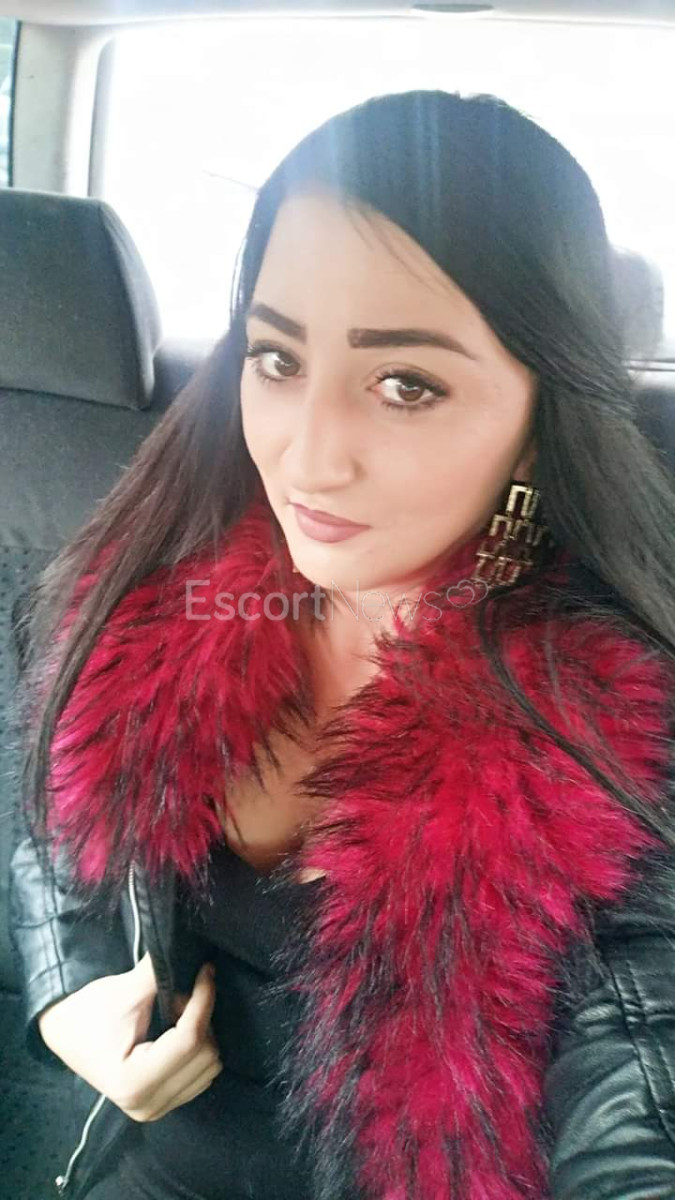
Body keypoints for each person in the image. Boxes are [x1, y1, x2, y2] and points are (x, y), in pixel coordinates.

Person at [9, 88, 675, 1200]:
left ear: (541, 415)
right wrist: (68, 988)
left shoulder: (611, 737)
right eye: (277, 358)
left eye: (406, 384)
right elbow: (50, 813)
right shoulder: (154, 590)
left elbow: (638, 1091)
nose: (308, 458)